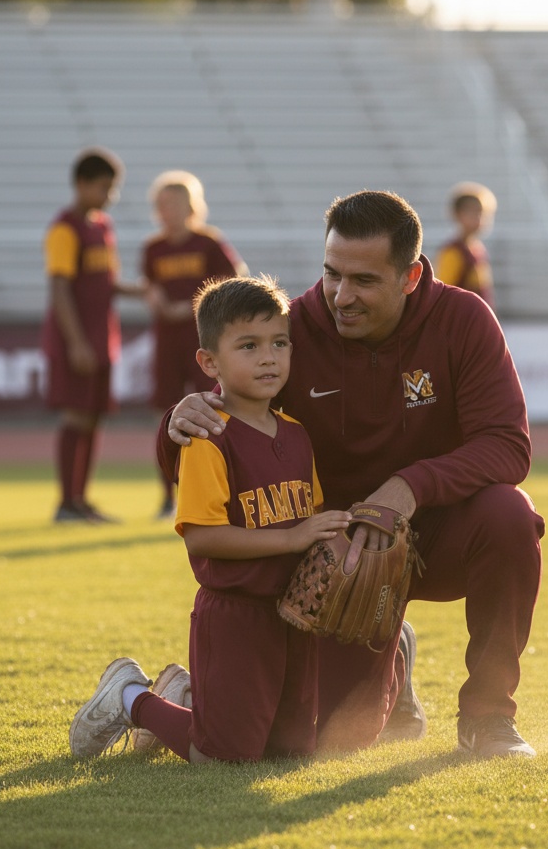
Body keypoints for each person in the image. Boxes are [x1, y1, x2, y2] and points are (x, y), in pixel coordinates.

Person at [160, 190, 544, 759]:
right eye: (331, 274)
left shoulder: (463, 319)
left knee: (510, 514)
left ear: (410, 276)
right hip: (338, 564)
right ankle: (194, 695)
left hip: (439, 536)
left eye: (363, 281)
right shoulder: (291, 331)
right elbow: (225, 430)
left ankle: (487, 718)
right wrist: (175, 423)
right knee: (326, 742)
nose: (341, 296)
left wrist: (409, 486)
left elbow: (508, 446)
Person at [68, 275, 352, 762]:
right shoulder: (207, 434)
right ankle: (131, 698)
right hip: (236, 614)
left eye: (279, 343)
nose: (269, 357)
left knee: (292, 751)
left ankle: (187, 695)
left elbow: (316, 518)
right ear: (208, 361)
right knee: (220, 755)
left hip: (293, 614)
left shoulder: (298, 433)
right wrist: (292, 540)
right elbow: (201, 538)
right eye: (248, 345)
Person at [41, 148, 143, 523]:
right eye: (104, 187)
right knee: (75, 417)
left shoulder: (102, 226)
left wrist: (143, 290)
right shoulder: (64, 229)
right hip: (77, 343)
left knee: (94, 418)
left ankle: (81, 501)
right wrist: (77, 342)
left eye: (112, 188)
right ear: (82, 184)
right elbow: (60, 288)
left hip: (102, 339)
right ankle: (67, 502)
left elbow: (107, 283)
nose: (110, 195)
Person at [142, 170, 247, 518]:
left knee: (214, 411)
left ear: (191, 206)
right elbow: (151, 285)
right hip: (167, 342)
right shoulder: (153, 249)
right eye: (161, 204)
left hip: (205, 343)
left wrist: (188, 304)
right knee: (168, 414)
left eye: (172, 203)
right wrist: (154, 296)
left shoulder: (209, 243)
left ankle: (219, 491)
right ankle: (168, 497)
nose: (166, 211)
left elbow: (235, 281)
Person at [434, 182, 497, 309]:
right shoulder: (453, 251)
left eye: (482, 213)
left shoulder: (478, 249)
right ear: (458, 215)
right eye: (472, 213)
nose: (479, 218)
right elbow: (442, 294)